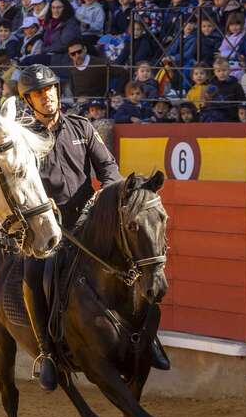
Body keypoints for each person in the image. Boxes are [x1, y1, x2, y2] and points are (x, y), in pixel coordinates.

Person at [16, 63, 159, 392]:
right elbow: (21, 182)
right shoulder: (24, 138)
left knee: (136, 262)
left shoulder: (81, 127)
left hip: (89, 222)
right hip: (48, 227)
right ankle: (47, 353)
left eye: (50, 89)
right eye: (38, 93)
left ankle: (149, 341)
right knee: (34, 275)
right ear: (29, 101)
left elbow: (109, 168)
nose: (46, 96)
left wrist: (104, 198)